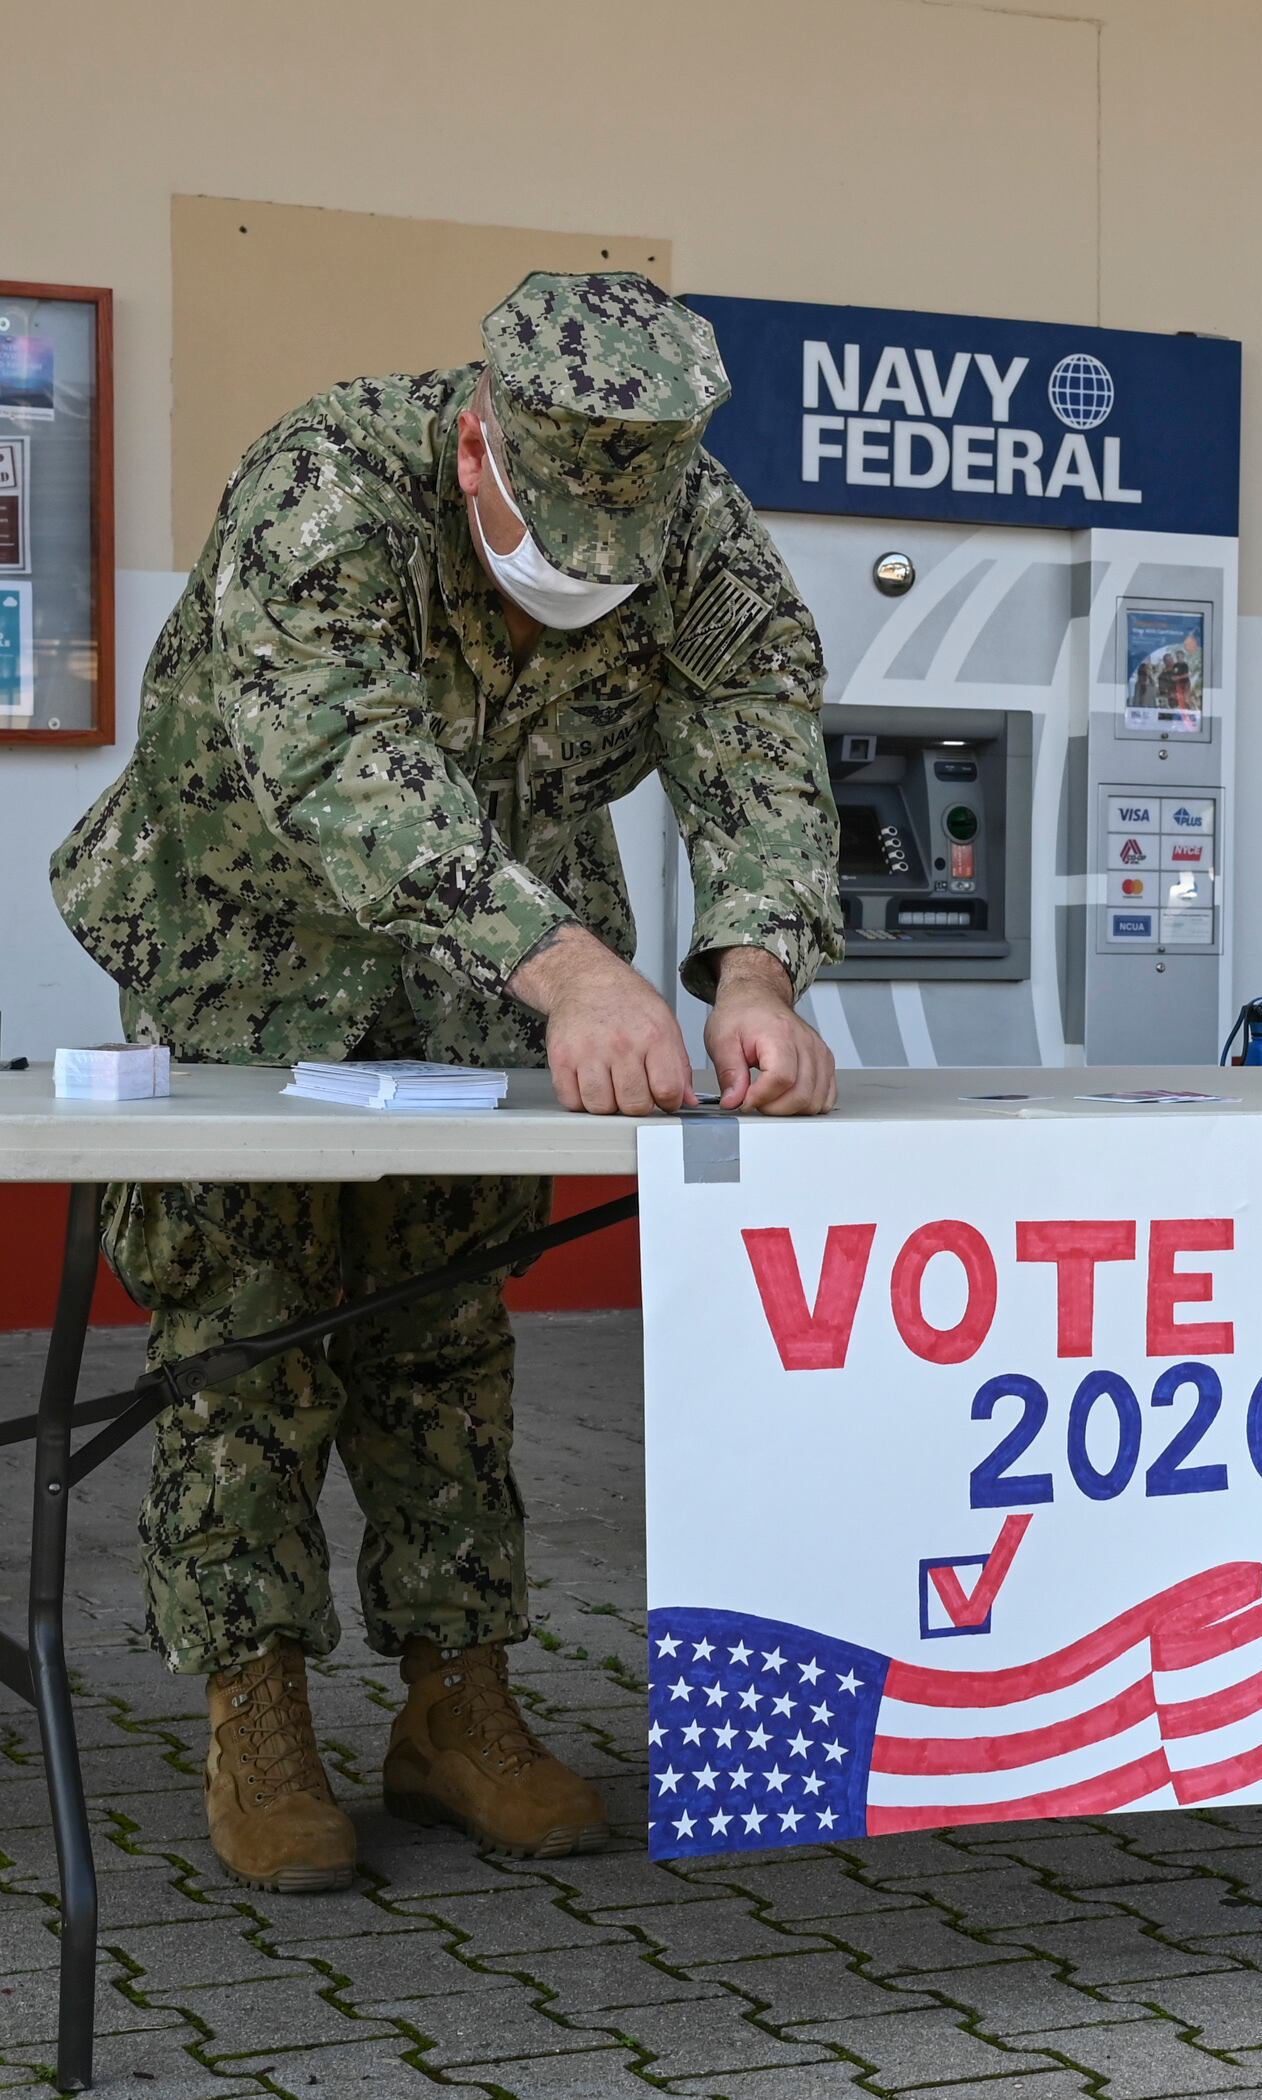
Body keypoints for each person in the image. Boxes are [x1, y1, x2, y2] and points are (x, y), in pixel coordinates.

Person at [51, 272, 841, 1890]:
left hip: (508, 952)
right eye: (560, 542)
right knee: (246, 1320)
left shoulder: (692, 525)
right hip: (248, 932)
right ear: (480, 442)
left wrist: (755, 969)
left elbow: (757, 725)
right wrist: (569, 971)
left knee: (446, 1314)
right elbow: (339, 764)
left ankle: (455, 1703)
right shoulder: (327, 479)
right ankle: (255, 1705)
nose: (589, 580)